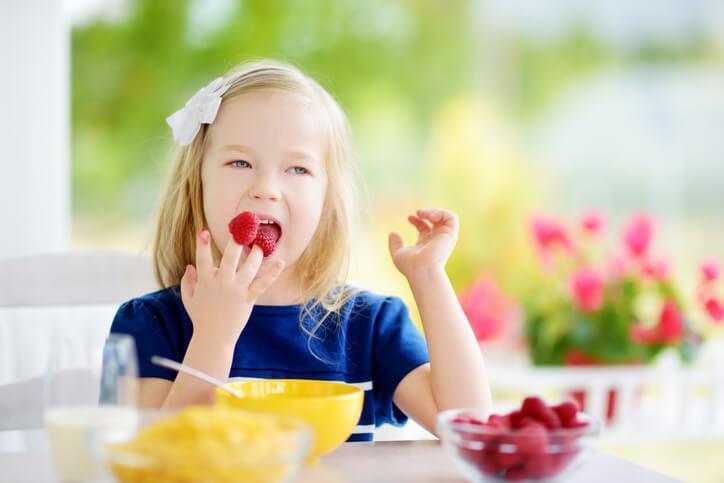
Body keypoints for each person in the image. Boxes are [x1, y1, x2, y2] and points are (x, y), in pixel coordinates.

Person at [110, 60, 491, 441]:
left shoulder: (369, 326)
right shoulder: (150, 324)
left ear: (326, 202)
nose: (266, 188)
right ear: (198, 183)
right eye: (240, 162)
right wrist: (213, 338)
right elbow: (155, 453)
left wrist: (428, 277)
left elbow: (468, 426)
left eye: (297, 169)